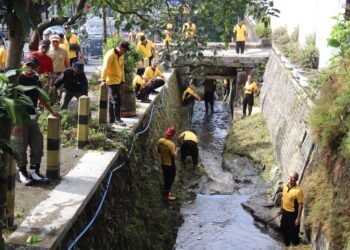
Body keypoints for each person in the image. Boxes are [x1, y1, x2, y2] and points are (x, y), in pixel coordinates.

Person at [14, 57, 60, 186]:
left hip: (33, 117)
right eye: (28, 65)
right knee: (20, 146)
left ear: (37, 68)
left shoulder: (35, 80)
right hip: (19, 118)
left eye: (33, 66)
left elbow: (41, 97)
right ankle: (22, 172)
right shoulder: (17, 79)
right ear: (23, 65)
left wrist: (51, 111)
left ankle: (35, 171)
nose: (30, 68)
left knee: (37, 144)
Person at [101, 41, 130, 126]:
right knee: (117, 100)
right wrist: (103, 80)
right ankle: (117, 119)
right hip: (111, 81)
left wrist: (123, 81)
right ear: (120, 48)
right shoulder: (111, 54)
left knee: (112, 100)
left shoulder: (121, 55)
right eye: (124, 50)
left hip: (118, 81)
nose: (125, 52)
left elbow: (122, 69)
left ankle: (112, 120)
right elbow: (105, 67)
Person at [278, 172, 304, 246]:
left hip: (293, 215)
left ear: (296, 179)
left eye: (292, 178)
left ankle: (295, 246)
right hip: (285, 213)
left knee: (293, 234)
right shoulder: (285, 186)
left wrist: (298, 219)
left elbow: (300, 205)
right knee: (283, 230)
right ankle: (286, 245)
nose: (290, 179)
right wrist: (281, 210)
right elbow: (283, 199)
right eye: (290, 177)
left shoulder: (298, 191)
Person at [157, 127, 177, 201]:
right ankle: (166, 196)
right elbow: (174, 156)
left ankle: (167, 192)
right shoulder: (171, 144)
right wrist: (177, 150)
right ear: (172, 135)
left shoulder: (160, 141)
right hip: (170, 164)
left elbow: (158, 151)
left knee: (166, 178)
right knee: (171, 178)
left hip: (163, 163)